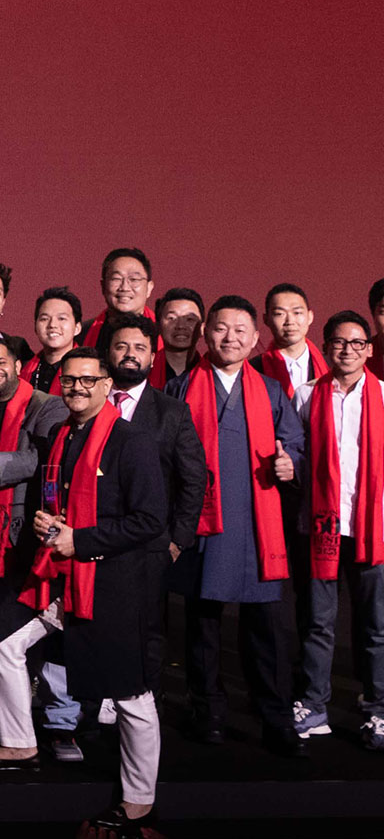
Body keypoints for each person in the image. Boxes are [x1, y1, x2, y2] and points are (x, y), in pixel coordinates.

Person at [0, 348, 168, 815]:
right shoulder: (60, 435)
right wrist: (47, 524)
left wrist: (79, 540)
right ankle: (20, 743)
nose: (77, 388)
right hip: (53, 574)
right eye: (69, 380)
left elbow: (150, 520)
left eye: (88, 380)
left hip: (109, 582)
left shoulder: (132, 441)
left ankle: (140, 798)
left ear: (107, 386)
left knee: (130, 693)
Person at [170, 296, 306, 755]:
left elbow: (295, 443)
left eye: (240, 330)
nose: (230, 338)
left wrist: (290, 463)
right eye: (221, 328)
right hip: (203, 523)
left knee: (267, 631)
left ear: (254, 338)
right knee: (203, 628)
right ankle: (208, 713)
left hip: (255, 524)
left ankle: (276, 719)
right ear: (206, 332)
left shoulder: (270, 391)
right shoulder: (181, 388)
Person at [97, 311, 210, 737]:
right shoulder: (89, 401)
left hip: (148, 544)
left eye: (140, 348)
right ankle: (96, 700)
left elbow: (194, 479)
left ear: (151, 355)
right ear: (108, 353)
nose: (130, 354)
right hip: (90, 538)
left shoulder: (171, 412)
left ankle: (146, 706)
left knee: (147, 630)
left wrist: (177, 540)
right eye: (122, 346)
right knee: (92, 623)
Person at [0, 335, 69, 748]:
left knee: (38, 639)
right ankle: (5, 717)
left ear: (18, 365)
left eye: (0, 362)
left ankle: (59, 720)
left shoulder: (47, 405)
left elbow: (40, 462)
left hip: (30, 536)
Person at [294, 311, 384, 750]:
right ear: (326, 346)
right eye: (339, 342)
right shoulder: (307, 394)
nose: (348, 350)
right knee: (318, 623)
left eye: (356, 343)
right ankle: (313, 705)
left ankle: (379, 709)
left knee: (376, 627)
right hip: (322, 526)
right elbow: (296, 453)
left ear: (369, 349)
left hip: (373, 528)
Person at [259, 282, 325, 398]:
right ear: (266, 319)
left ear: (310, 317)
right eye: (280, 314)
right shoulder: (255, 369)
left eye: (297, 313)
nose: (290, 321)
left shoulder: (329, 367)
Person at [27, 287, 82, 392]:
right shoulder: (25, 370)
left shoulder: (89, 372)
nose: (52, 325)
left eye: (61, 318)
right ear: (35, 327)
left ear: (77, 328)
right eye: (44, 319)